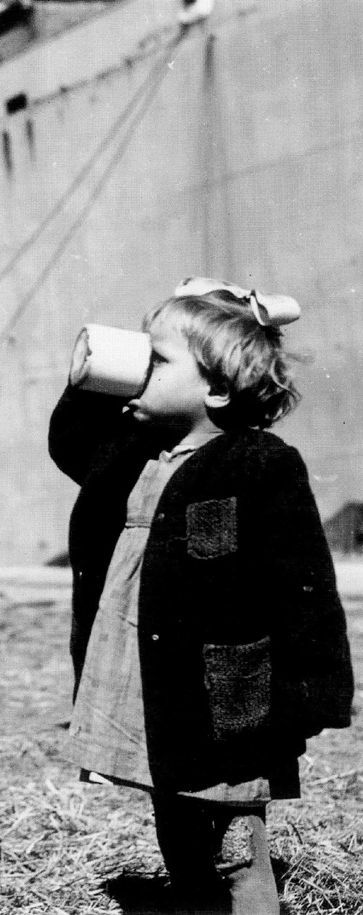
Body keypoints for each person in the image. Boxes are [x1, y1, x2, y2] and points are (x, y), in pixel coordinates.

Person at [49, 279, 354, 914]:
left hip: (226, 700)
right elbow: (72, 442)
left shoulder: (260, 462)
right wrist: (97, 376)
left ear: (216, 388)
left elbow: (305, 587)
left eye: (158, 360)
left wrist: (313, 690)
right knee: (181, 829)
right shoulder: (139, 455)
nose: (142, 370)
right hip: (156, 687)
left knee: (233, 846)